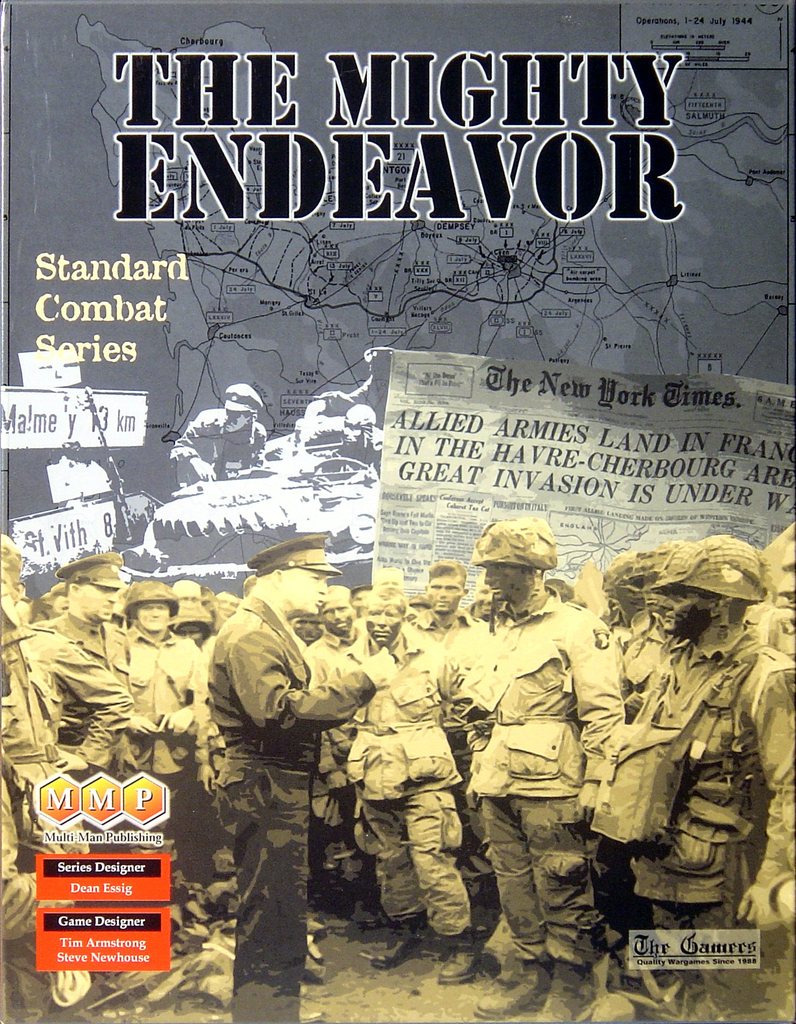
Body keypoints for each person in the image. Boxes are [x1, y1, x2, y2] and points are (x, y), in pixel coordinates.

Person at [604, 536, 795, 1020]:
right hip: (665, 860)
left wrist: (772, 878)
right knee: (678, 980)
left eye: (681, 594)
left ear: (723, 604)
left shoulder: (767, 677)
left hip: (727, 875)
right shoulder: (676, 661)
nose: (664, 604)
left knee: (735, 994)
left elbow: (790, 787)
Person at [209, 533, 393, 1022]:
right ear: (279, 577)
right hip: (265, 783)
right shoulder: (252, 634)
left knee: (280, 908)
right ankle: (265, 1016)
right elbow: (277, 712)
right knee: (271, 912)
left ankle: (272, 1013)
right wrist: (364, 680)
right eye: (315, 578)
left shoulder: (263, 629)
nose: (324, 590)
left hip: (271, 783)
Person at [463, 518, 625, 1020]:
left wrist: (596, 779)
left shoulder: (578, 627)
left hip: (554, 781)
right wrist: (479, 761)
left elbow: (604, 711)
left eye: (501, 567)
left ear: (532, 570)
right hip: (498, 777)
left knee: (561, 881)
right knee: (512, 883)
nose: (490, 577)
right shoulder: (501, 627)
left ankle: (572, 984)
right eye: (488, 567)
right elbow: (487, 706)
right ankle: (529, 972)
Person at [347, 590, 477, 984]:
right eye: (374, 613)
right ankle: (408, 931)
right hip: (372, 773)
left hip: (425, 776)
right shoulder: (351, 660)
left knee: (432, 859)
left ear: (404, 617)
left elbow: (467, 701)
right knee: (390, 860)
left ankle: (458, 943)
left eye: (390, 614)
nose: (381, 621)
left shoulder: (432, 657)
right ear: (363, 615)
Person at [30, 551, 134, 772]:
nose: (112, 598)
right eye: (103, 589)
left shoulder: (117, 636)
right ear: (75, 590)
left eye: (115, 591)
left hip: (118, 758)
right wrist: (88, 757)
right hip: (73, 758)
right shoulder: (46, 639)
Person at [169, 383, 269, 485]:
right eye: (228, 411)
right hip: (201, 484)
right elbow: (179, 448)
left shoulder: (258, 434)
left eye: (236, 415)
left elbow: (257, 464)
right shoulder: (206, 423)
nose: (228, 417)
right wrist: (194, 460)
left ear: (251, 418)